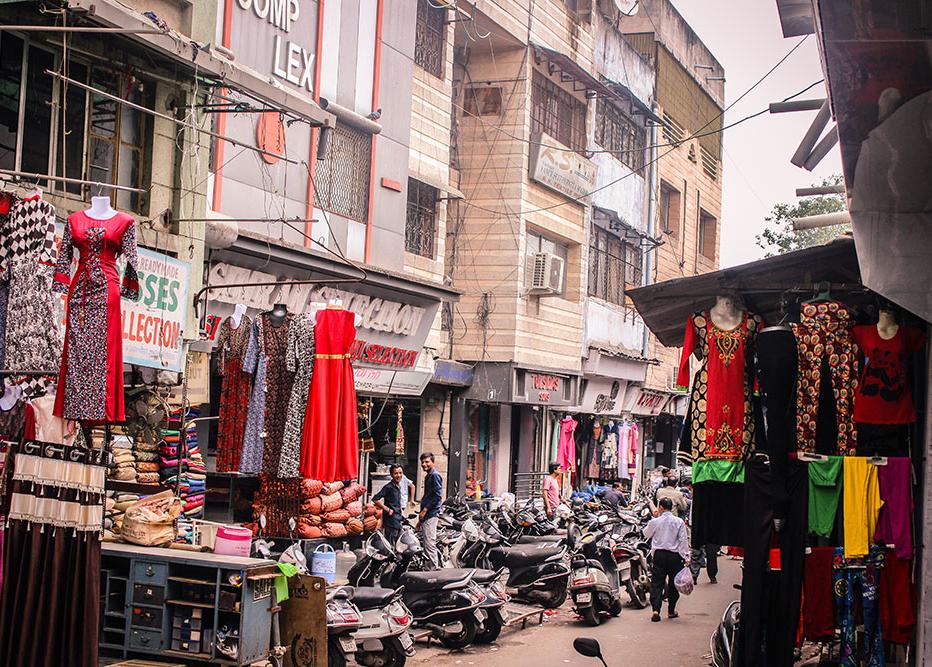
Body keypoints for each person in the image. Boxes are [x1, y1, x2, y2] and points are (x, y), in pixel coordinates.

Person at [644, 497, 690, 622]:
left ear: (661, 508)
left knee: (657, 583)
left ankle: (656, 610)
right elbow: (683, 540)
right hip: (675, 556)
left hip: (659, 555)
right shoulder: (679, 521)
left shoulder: (655, 522)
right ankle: (671, 611)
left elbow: (646, 534)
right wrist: (686, 556)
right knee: (673, 584)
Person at [418, 452, 443, 566]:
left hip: (431, 514)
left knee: (429, 543)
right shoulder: (428, 475)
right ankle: (428, 568)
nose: (424, 464)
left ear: (433, 462)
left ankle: (433, 570)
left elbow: (437, 496)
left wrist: (425, 510)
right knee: (426, 542)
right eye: (422, 462)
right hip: (427, 514)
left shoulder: (434, 475)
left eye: (427, 462)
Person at [373, 464, 404, 546]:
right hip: (391, 521)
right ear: (391, 475)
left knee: (398, 545)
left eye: (400, 473)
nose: (398, 475)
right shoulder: (388, 487)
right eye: (396, 473)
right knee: (390, 545)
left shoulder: (398, 486)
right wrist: (387, 509)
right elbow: (375, 499)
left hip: (398, 520)